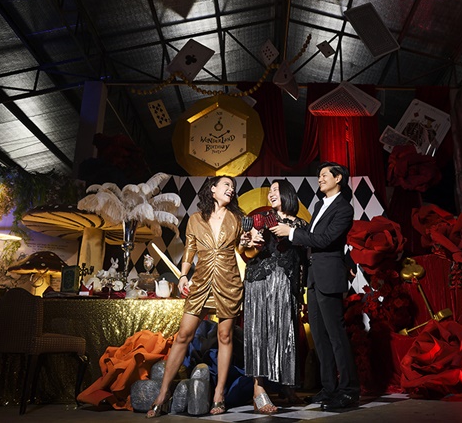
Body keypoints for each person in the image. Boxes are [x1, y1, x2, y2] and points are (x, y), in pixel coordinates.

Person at [147, 175, 253, 418]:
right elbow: (190, 249)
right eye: (226, 185)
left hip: (228, 281)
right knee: (183, 335)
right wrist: (184, 275)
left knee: (225, 336)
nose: (231, 189)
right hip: (202, 280)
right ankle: (163, 393)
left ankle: (219, 394)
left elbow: (242, 250)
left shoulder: (237, 218)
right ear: (213, 189)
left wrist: (247, 242)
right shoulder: (195, 219)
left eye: (233, 187)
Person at [270, 162, 360, 410]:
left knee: (336, 336)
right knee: (319, 337)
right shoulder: (320, 205)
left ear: (338, 178)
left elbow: (326, 239)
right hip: (313, 277)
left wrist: (291, 233)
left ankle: (349, 391)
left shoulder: (344, 208)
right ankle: (329, 388)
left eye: (324, 175)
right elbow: (315, 238)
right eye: (319, 176)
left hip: (329, 276)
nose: (319, 179)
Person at [243, 179, 308, 414]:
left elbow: (303, 261)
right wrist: (251, 240)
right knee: (259, 333)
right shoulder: (260, 218)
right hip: (261, 281)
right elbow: (246, 250)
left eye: (276, 190)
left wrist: (301, 291)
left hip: (287, 284)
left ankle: (287, 386)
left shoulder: (301, 224)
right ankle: (258, 390)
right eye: (270, 191)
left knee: (286, 334)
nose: (271, 194)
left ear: (288, 194)